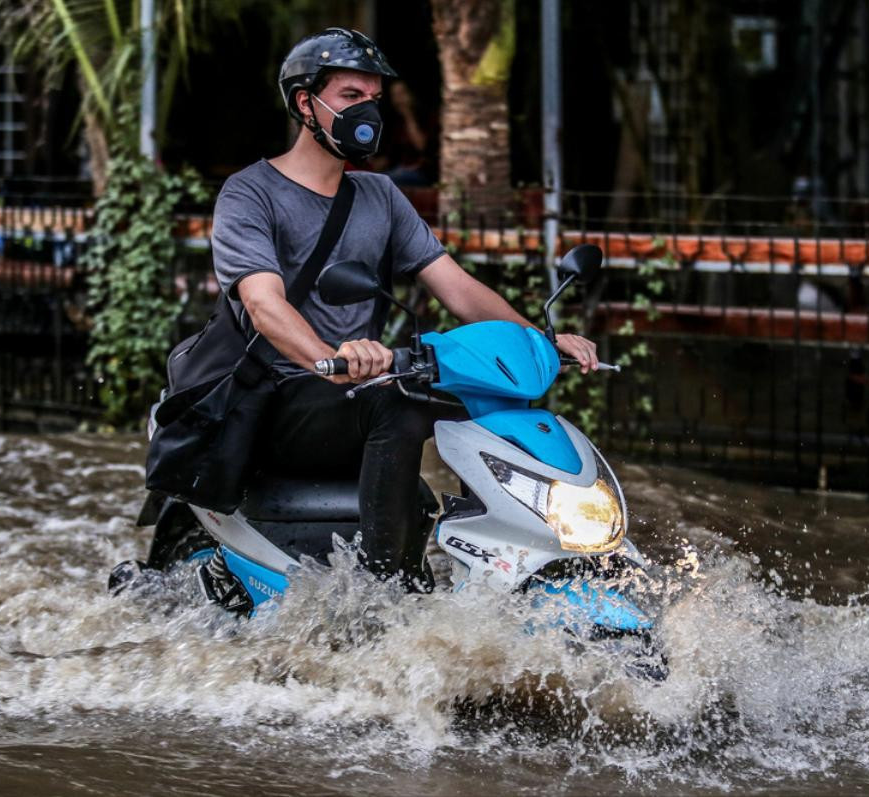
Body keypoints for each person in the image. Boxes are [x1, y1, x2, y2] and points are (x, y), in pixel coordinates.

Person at [210, 28, 599, 587]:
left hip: (360, 390)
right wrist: (331, 357)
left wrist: (537, 339)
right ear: (305, 103)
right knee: (398, 403)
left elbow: (457, 286)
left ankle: (515, 569)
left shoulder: (380, 196)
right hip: (285, 392)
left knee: (481, 395)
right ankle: (379, 591)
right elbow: (263, 303)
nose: (367, 110)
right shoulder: (251, 192)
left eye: (373, 98)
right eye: (350, 96)